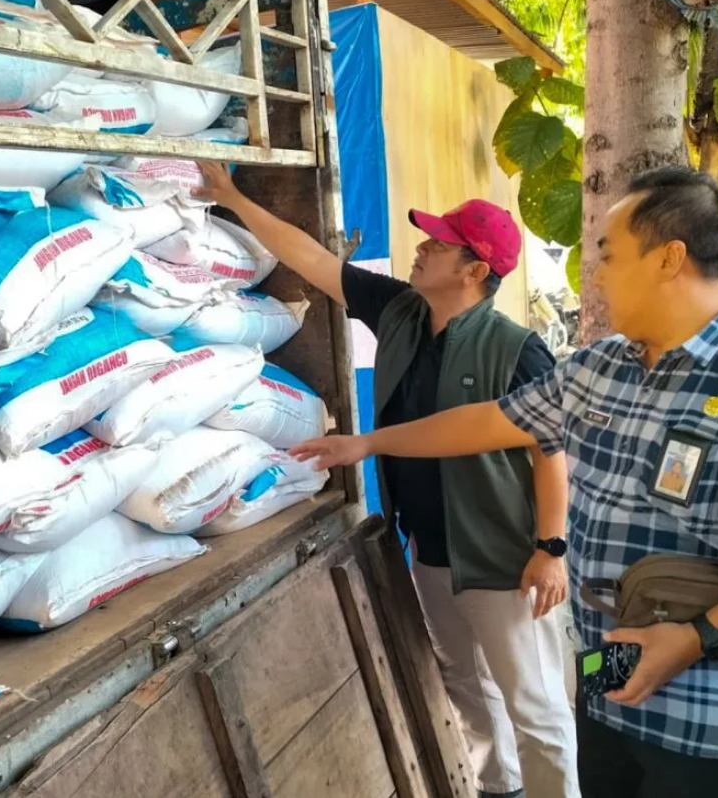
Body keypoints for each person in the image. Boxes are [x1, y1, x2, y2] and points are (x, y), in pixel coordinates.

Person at [292, 166, 718, 798]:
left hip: (711, 707)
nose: (597, 274)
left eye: (609, 256)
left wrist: (695, 639)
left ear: (669, 258)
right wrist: (367, 443)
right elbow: (488, 422)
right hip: (606, 676)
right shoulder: (600, 366)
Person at [196, 161, 580, 798]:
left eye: (439, 243)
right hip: (429, 549)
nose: (421, 247)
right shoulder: (400, 311)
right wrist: (233, 198)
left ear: (475, 271)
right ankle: (499, 789)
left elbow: (551, 452)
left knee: (534, 706)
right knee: (463, 684)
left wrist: (550, 549)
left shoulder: (516, 349)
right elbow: (312, 260)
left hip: (502, 558)